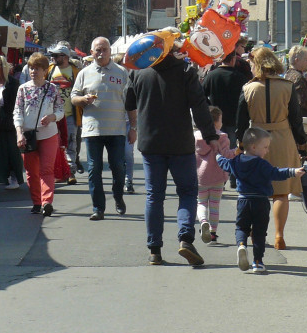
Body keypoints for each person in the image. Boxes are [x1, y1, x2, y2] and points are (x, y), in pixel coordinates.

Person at [125, 48, 219, 266]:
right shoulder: (185, 70)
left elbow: (129, 103)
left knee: (154, 195)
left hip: (150, 142)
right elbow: (199, 106)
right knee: (187, 191)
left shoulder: (139, 71)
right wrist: (210, 135)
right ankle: (185, 238)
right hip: (180, 142)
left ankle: (154, 250)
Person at [235, 46, 307, 249]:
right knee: (281, 192)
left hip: (255, 140)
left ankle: (254, 231)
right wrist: (302, 143)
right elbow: (295, 119)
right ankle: (278, 235)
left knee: (254, 191)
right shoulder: (287, 86)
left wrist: (240, 145)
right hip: (282, 138)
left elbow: (241, 122)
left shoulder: (248, 88)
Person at [218, 127, 305, 274]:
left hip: (243, 201)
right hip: (261, 202)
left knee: (241, 227)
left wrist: (217, 157)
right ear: (253, 147)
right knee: (259, 232)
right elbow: (276, 173)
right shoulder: (262, 164)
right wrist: (293, 171)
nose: (267, 151)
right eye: (265, 147)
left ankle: (241, 245)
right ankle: (257, 262)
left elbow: (225, 164)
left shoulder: (237, 161)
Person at [72, 37, 136, 220]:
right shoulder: (84, 73)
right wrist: (83, 100)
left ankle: (118, 197)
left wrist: (133, 127)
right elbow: (73, 97)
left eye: (104, 49)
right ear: (91, 53)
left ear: (110, 51)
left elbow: (131, 103)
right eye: (98, 50)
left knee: (118, 167)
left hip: (117, 129)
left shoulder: (122, 72)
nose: (101, 53)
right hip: (93, 130)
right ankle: (98, 208)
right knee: (94, 169)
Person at [14, 53, 65, 216]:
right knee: (31, 171)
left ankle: (46, 202)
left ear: (45, 70)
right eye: (31, 68)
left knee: (47, 169)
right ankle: (36, 201)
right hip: (28, 135)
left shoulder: (52, 89)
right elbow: (17, 112)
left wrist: (52, 117)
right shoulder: (23, 89)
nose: (33, 71)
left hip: (49, 135)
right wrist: (19, 133)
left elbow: (60, 110)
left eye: (37, 68)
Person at [195, 106, 237, 242]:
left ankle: (203, 221)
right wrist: (237, 151)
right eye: (221, 120)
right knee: (215, 205)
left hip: (200, 177)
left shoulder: (195, 137)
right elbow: (227, 155)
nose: (222, 123)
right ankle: (213, 232)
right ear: (216, 122)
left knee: (201, 203)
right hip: (218, 177)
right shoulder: (222, 137)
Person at [202, 37, 252, 139]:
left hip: (216, 118)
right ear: (233, 60)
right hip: (234, 119)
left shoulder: (211, 76)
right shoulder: (240, 77)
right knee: (231, 150)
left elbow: (201, 95)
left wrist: (211, 108)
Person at [0, 55, 24, 192]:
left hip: (9, 120)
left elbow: (16, 104)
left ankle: (14, 177)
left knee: (12, 151)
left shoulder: (13, 84)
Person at [47, 42, 80, 183]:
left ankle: (71, 171)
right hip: (52, 114)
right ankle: (59, 171)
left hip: (70, 114)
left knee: (70, 143)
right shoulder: (49, 70)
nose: (53, 58)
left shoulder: (76, 72)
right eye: (52, 55)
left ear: (65, 57)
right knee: (53, 143)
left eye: (56, 55)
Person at [286, 44, 307, 162]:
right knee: (302, 155)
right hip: (302, 121)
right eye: (305, 59)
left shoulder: (288, 75)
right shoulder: (298, 77)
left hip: (294, 120)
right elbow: (301, 101)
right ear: (296, 60)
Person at [114, 53, 137, 193]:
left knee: (128, 153)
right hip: (114, 122)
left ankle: (129, 180)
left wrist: (134, 126)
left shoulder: (132, 80)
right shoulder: (112, 80)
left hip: (128, 121)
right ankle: (118, 179)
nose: (126, 68)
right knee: (117, 155)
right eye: (124, 65)